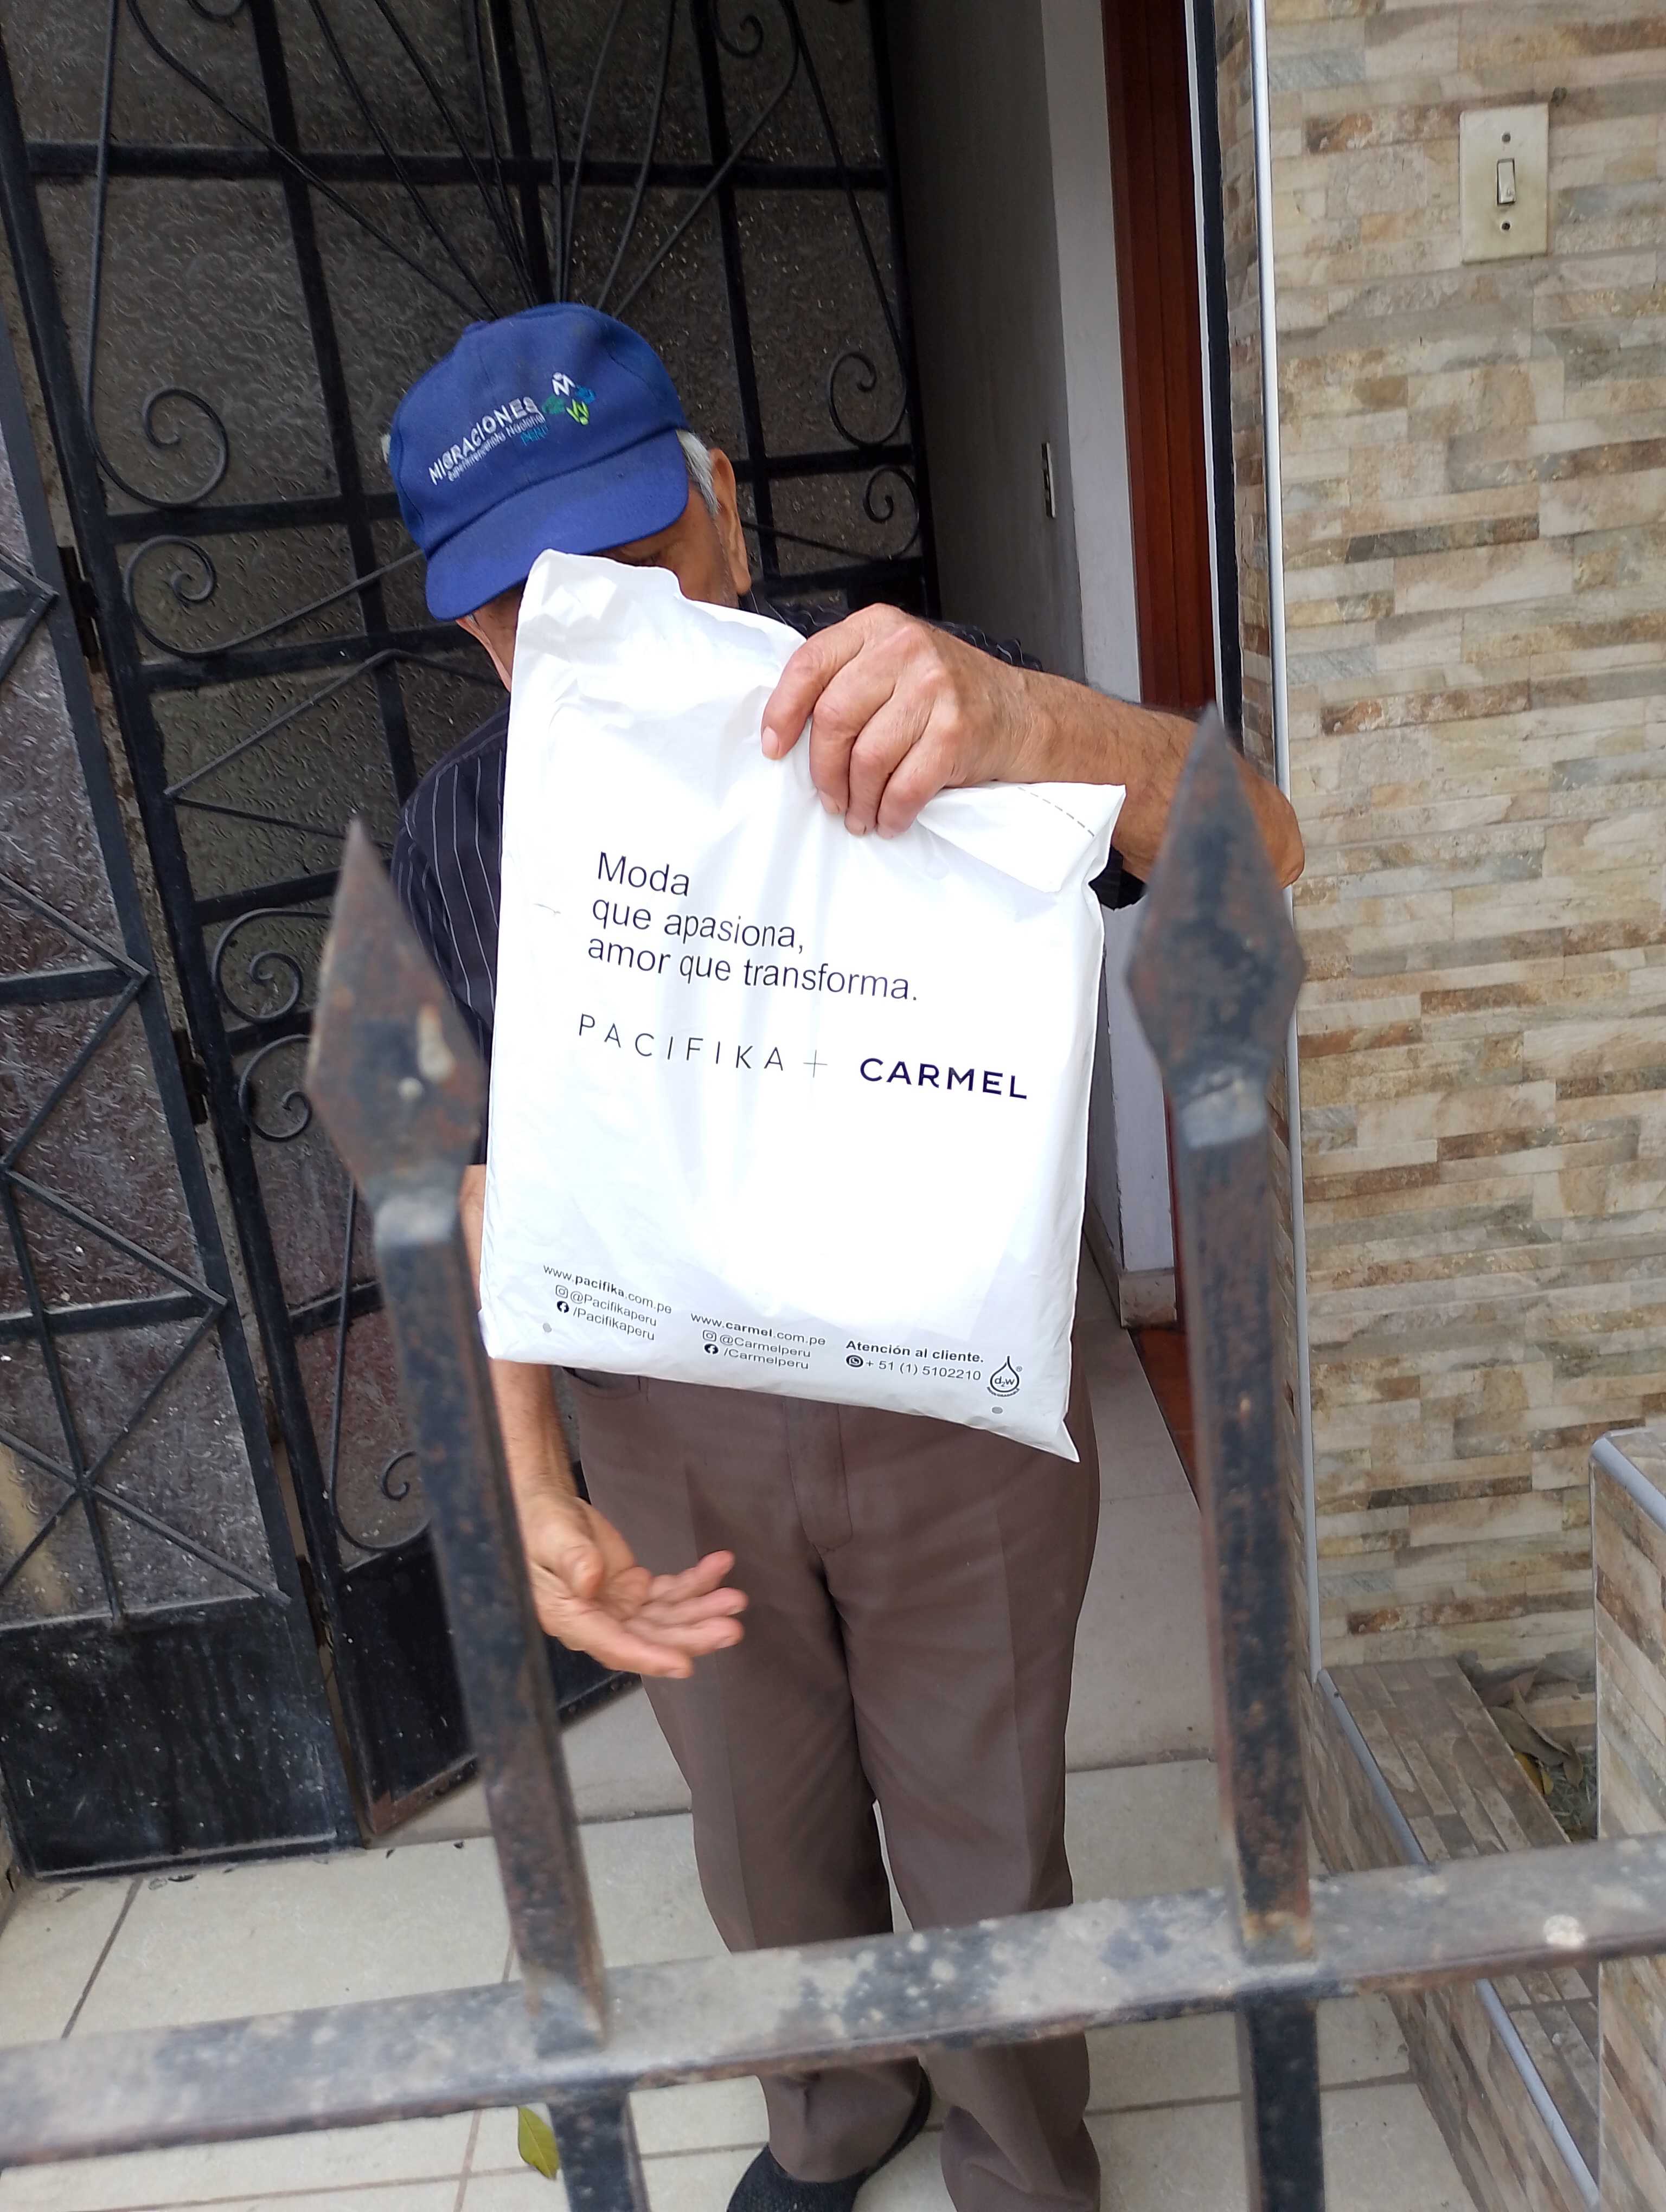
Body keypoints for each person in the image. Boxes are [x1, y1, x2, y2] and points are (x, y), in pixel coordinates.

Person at [387, 303, 1303, 2212]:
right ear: (470, 631)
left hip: (947, 1397)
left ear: (723, 503)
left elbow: (1264, 847)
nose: (599, 619)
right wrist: (535, 1481)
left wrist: (1034, 720)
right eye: (525, 603)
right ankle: (831, 2117)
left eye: (633, 550)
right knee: (758, 1835)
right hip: (668, 1415)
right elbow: (483, 1173)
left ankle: (1020, 2163)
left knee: (984, 1833)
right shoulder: (469, 824)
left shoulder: (919, 701)